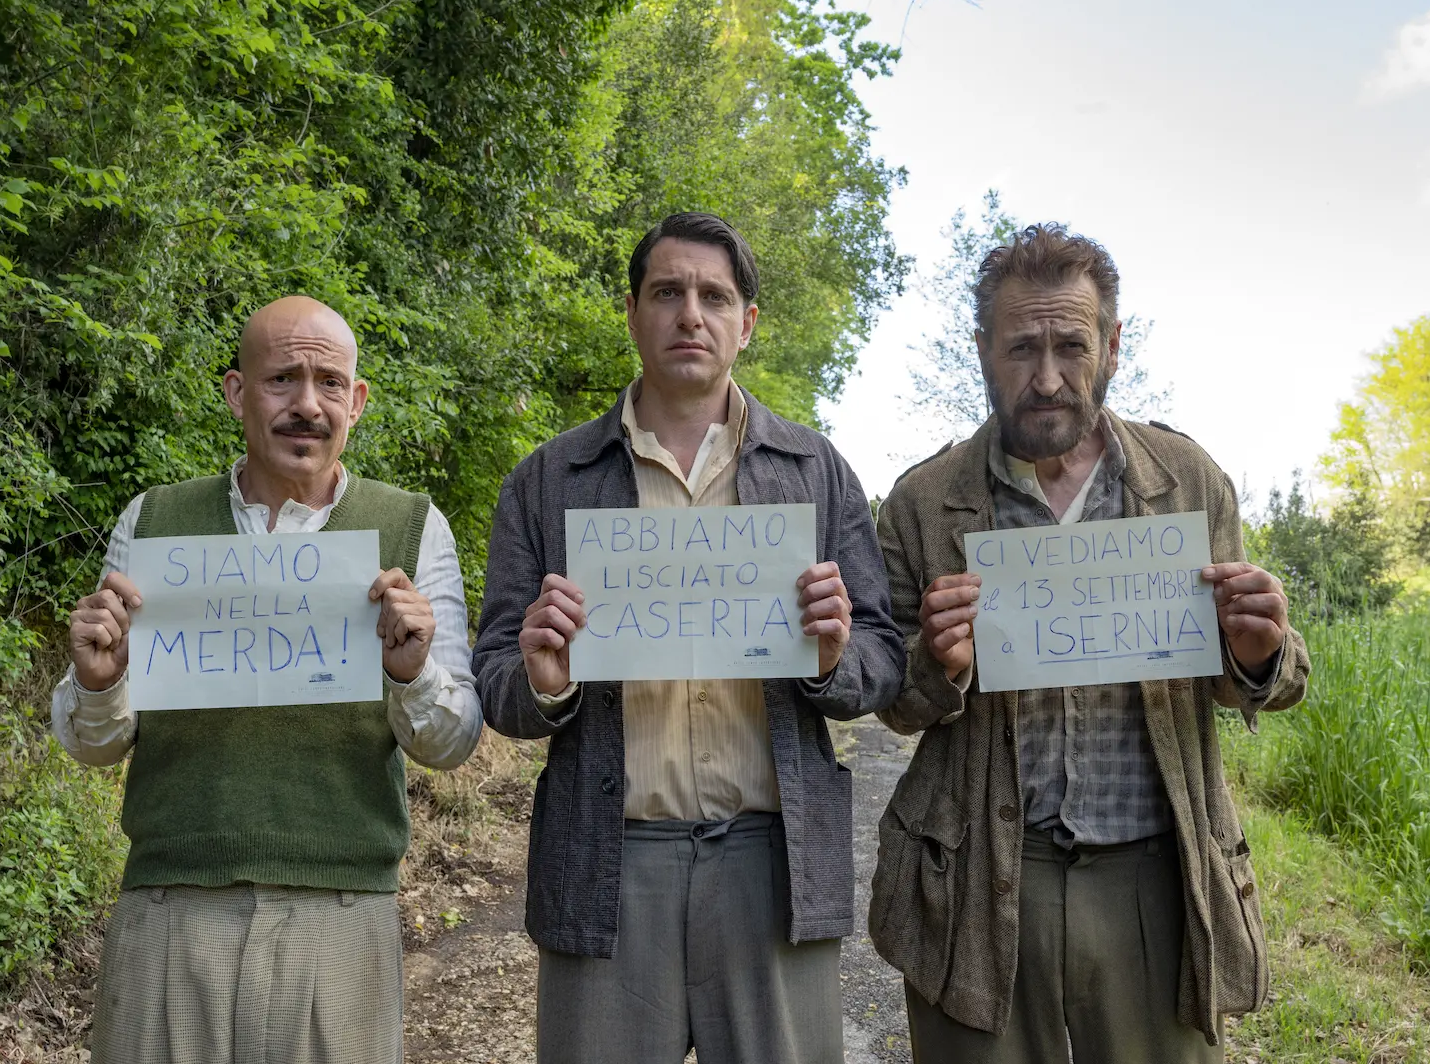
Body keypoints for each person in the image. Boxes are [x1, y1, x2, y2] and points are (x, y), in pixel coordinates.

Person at [471, 212, 906, 1064]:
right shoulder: (548, 480)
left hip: (770, 860)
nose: (690, 314)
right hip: (607, 859)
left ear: (747, 323)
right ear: (632, 311)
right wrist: (544, 679)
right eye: (667, 292)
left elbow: (883, 660)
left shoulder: (815, 471)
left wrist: (831, 660)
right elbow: (494, 681)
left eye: (714, 296)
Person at [870, 223, 1310, 1063]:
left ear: (1111, 345)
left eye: (1070, 346)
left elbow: (1256, 674)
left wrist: (1257, 652)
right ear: (981, 350)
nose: (1046, 378)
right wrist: (936, 663)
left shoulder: (1186, 481)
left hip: (1155, 877)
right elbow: (888, 696)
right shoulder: (923, 502)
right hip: (978, 874)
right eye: (1020, 348)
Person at [51, 295, 483, 1064]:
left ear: (357, 401)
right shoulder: (154, 523)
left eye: (329, 383)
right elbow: (92, 745)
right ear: (237, 392)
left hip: (341, 913)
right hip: (172, 906)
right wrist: (99, 680)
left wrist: (410, 670)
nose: (306, 405)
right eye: (282, 379)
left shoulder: (412, 527)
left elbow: (451, 742)